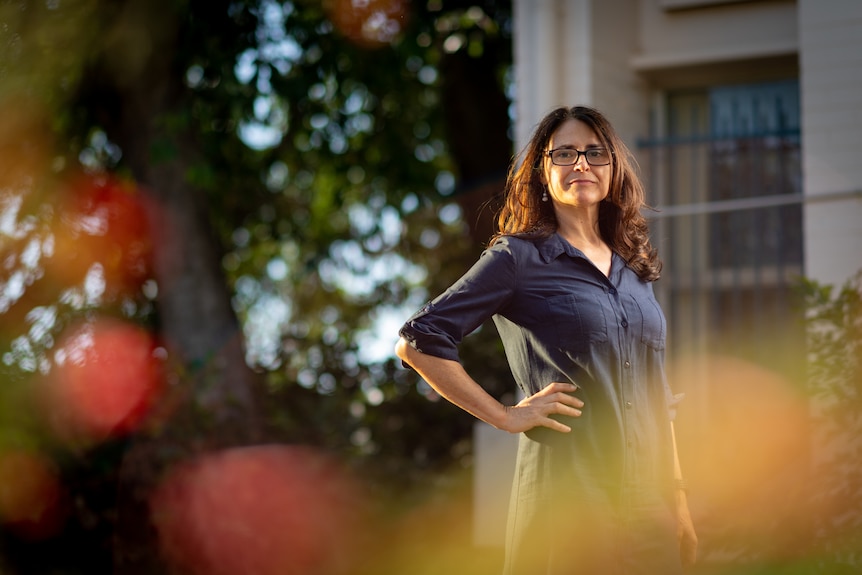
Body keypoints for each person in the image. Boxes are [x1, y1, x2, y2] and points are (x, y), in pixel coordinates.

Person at [395, 106, 698, 574]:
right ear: (543, 171)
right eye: (565, 154)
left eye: (595, 153)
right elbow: (419, 340)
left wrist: (678, 502)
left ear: (613, 167)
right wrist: (506, 415)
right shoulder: (517, 258)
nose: (581, 164)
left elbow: (656, 394)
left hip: (648, 510)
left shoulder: (634, 268)